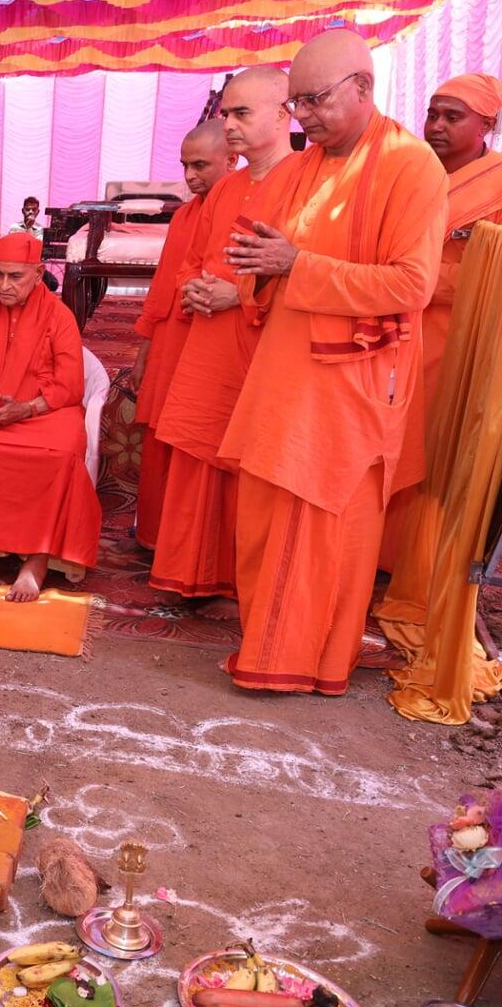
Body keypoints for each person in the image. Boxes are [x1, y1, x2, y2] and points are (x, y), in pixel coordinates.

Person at [219, 29, 446, 695]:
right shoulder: (297, 168)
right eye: (296, 105)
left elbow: (412, 285)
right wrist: (257, 273)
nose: (305, 117)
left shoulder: (411, 166)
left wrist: (299, 265)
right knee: (266, 516)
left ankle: (313, 663)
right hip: (283, 372)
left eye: (315, 100)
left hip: (354, 379)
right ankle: (262, 646)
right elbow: (259, 263)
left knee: (326, 529)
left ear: (363, 89)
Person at [374, 72, 502, 719]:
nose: (438, 125)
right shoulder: (413, 171)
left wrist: (469, 241)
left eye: (454, 116)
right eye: (432, 112)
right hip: (398, 330)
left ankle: (414, 577)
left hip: (458, 343)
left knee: (431, 463)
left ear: (487, 127)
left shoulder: (498, 181)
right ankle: (376, 562)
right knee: (387, 446)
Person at [150, 72, 293, 617]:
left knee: (245, 460)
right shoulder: (227, 189)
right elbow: (192, 257)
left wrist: (238, 294)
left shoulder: (306, 179)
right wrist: (194, 286)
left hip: (262, 343)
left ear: (283, 113)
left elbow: (307, 265)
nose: (229, 124)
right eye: (226, 114)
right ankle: (195, 574)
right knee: (197, 450)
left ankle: (240, 583)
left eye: (241, 114)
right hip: (206, 337)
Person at [0, 233, 100, 601]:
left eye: (16, 277)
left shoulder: (60, 315)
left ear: (39, 273)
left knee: (59, 458)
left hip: (45, 414)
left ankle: (36, 561)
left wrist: (27, 408)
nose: (5, 286)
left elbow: (71, 384)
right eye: (1, 275)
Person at [128, 121, 235, 553]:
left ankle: (188, 548)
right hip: (171, 340)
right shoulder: (185, 214)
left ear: (232, 160)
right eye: (185, 165)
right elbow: (161, 288)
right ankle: (154, 536)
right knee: (158, 434)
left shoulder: (244, 209)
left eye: (200, 165)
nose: (190, 176)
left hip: (209, 346)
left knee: (196, 441)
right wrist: (145, 348)